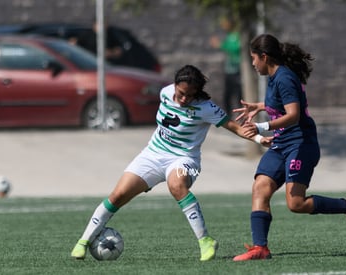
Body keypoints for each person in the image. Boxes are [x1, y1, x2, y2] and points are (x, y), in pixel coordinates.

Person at [71, 64, 256, 261]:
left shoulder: (206, 108)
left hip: (185, 158)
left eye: (190, 95)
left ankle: (205, 241)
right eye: (181, 93)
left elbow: (235, 127)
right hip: (153, 154)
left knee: (176, 185)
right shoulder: (166, 92)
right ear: (175, 85)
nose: (184, 99)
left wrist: (261, 139)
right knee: (117, 195)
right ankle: (83, 241)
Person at [232, 34, 346, 261]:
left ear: (264, 57)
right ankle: (260, 248)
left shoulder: (284, 77)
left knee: (296, 203)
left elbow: (293, 115)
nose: (253, 64)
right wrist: (261, 105)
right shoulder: (275, 77)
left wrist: (261, 126)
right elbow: (284, 102)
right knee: (260, 187)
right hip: (282, 143)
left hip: (300, 144)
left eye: (254, 59)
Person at [209, 16, 242, 116]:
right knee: (227, 95)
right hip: (229, 71)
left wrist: (220, 45)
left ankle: (241, 116)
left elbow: (235, 48)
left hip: (237, 70)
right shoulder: (229, 36)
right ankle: (228, 116)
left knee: (239, 95)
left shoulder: (236, 35)